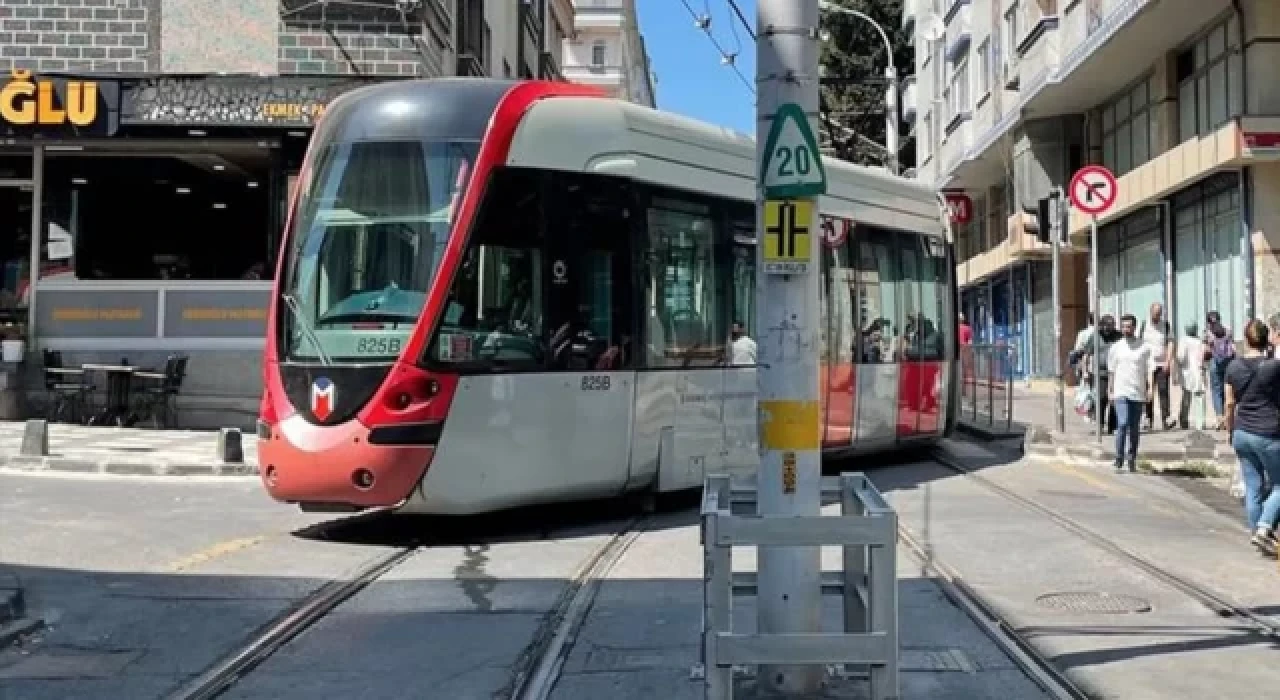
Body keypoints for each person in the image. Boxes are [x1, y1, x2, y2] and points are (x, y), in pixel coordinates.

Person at [1223, 319, 1280, 555]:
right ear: (1267, 339)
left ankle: (1257, 531)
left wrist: (1230, 429)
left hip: (1242, 431)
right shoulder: (1274, 367)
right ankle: (1265, 527)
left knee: (1253, 486)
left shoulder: (1233, 367)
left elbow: (1229, 403)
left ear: (1245, 339)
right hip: (1268, 433)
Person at [1108, 314, 1152, 472]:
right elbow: (1112, 371)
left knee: (1134, 427)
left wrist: (1150, 389)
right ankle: (1119, 457)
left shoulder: (1144, 347)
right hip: (1121, 391)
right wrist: (1110, 391)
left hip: (1138, 392)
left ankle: (1131, 458)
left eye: (1129, 326)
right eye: (1124, 326)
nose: (1126, 329)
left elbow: (1149, 370)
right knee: (1123, 423)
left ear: (1134, 327)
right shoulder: (1116, 347)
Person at [1140, 302, 1175, 430]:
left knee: (1164, 391)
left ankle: (1166, 419)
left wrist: (1168, 361)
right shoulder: (1144, 325)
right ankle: (1148, 419)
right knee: (1148, 392)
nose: (1157, 316)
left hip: (1162, 363)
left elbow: (1171, 342)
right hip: (1148, 364)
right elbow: (1139, 342)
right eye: (1155, 314)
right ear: (1150, 312)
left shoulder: (1165, 325)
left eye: (1159, 314)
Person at [1203, 311, 1234, 429]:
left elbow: (1206, 350)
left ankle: (1219, 417)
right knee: (1227, 389)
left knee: (1216, 391)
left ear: (1208, 322)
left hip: (1215, 363)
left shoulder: (1208, 333)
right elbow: (1232, 346)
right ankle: (1228, 417)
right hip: (1228, 363)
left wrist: (1202, 362)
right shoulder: (1228, 330)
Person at [1175, 322, 1207, 430]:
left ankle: (1184, 420)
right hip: (1199, 371)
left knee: (1186, 397)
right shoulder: (1200, 341)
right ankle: (1200, 422)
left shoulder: (1183, 340)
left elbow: (1180, 357)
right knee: (1199, 397)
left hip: (1187, 372)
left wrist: (1179, 365)